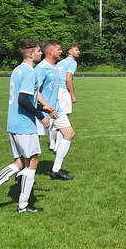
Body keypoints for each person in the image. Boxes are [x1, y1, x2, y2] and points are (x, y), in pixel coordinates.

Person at [0, 39, 56, 214]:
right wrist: (40, 116)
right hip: (24, 124)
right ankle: (23, 205)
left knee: (20, 162)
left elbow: (25, 98)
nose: (40, 53)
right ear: (30, 54)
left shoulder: (17, 70)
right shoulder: (30, 72)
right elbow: (23, 100)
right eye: (38, 51)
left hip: (12, 122)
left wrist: (43, 106)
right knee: (32, 161)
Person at [36, 40, 75, 180]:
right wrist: (45, 107)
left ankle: (56, 170)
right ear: (50, 52)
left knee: (69, 134)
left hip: (56, 109)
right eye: (58, 49)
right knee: (33, 143)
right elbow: (36, 91)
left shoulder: (55, 67)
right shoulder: (41, 69)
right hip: (43, 111)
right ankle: (21, 171)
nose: (61, 52)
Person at [52, 44, 80, 153]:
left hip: (55, 90)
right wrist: (73, 95)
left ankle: (54, 144)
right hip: (63, 91)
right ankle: (58, 146)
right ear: (70, 52)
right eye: (76, 50)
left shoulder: (60, 62)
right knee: (64, 119)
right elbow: (68, 78)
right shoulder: (72, 62)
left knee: (57, 117)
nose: (78, 51)